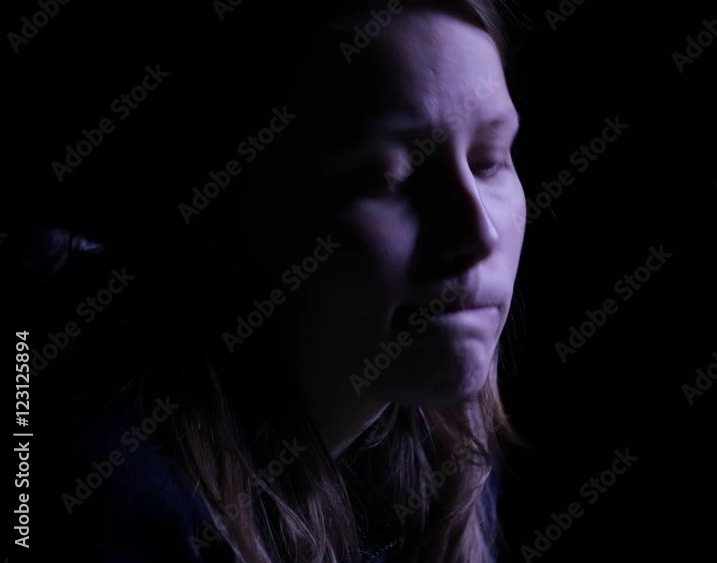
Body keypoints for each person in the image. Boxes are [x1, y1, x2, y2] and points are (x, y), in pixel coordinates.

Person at [37, 1, 526, 561]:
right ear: (231, 207)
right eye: (387, 177)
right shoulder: (108, 502)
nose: (479, 232)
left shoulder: (442, 448)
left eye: (488, 161)